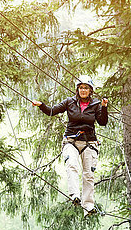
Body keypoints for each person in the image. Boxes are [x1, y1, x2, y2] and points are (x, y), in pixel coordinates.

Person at [32, 75, 108, 216]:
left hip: (89, 141)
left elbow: (102, 122)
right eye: (81, 88)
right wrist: (41, 105)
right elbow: (52, 111)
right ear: (77, 89)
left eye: (86, 88)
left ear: (90, 90)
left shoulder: (96, 104)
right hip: (71, 140)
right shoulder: (69, 102)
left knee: (88, 174)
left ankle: (89, 206)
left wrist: (104, 108)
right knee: (72, 165)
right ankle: (75, 195)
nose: (83, 90)